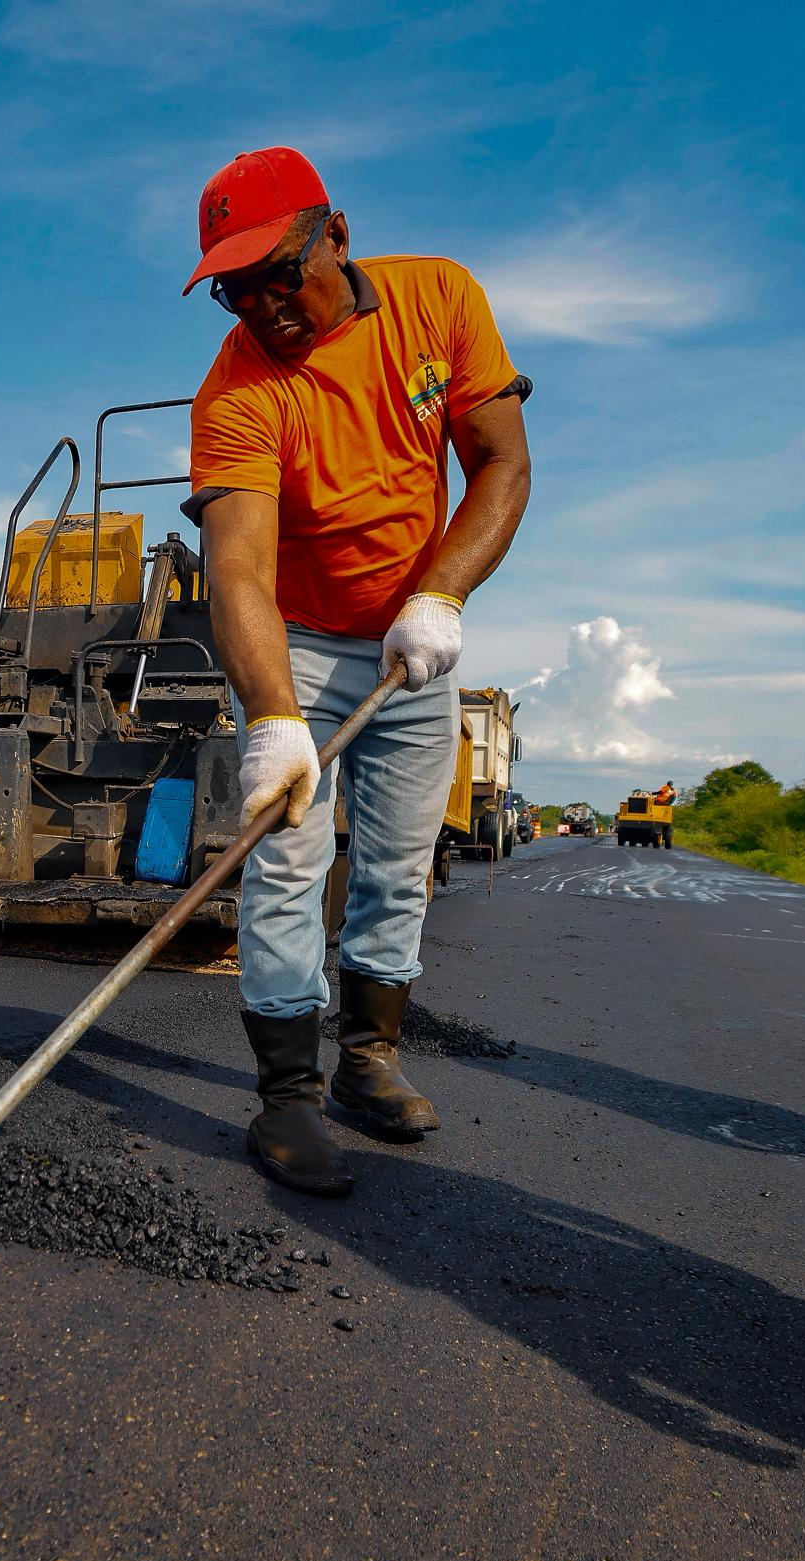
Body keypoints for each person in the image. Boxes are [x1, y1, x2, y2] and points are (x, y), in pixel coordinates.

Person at [183, 147, 533, 1197]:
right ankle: (286, 1097)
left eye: (279, 273)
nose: (264, 306)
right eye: (235, 292)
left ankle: (366, 1064)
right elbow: (236, 567)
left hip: (408, 640)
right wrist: (272, 719)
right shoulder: (236, 392)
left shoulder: (438, 297)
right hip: (296, 636)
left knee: (396, 861)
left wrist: (442, 596)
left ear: (335, 233)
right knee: (287, 859)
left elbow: (501, 465)